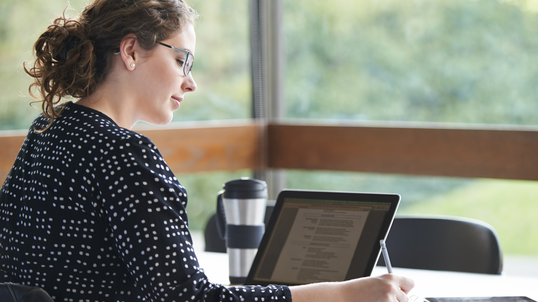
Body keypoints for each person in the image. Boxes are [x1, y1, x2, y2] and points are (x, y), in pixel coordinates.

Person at [0, 0, 415, 301]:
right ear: (130, 51)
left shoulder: (46, 133)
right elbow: (189, 299)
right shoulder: (125, 156)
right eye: (182, 60)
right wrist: (343, 295)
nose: (190, 82)